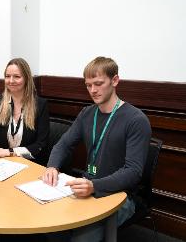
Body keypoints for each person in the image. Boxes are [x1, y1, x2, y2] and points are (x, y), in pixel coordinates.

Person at [42, 56, 151, 242]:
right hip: (88, 186)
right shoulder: (87, 113)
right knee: (50, 224)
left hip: (121, 195)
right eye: (88, 85)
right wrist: (52, 166)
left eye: (99, 83)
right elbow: (63, 145)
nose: (93, 90)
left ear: (115, 80)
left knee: (81, 238)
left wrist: (95, 186)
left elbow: (133, 172)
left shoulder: (136, 120)